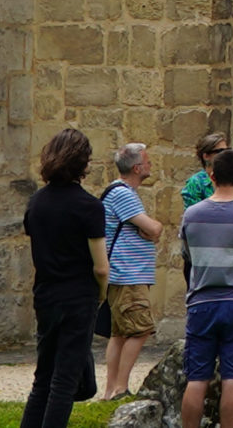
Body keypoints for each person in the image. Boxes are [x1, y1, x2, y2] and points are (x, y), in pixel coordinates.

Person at [21, 129, 109, 427]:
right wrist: (101, 293)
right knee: (65, 379)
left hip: (46, 294)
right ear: (83, 163)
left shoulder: (36, 202)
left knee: (43, 377)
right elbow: (101, 266)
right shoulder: (89, 206)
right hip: (78, 296)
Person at [179, 150, 233, 428]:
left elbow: (188, 256)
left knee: (196, 377)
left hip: (202, 301)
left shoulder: (191, 215)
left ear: (212, 176)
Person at [102, 143, 164, 400]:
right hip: (129, 274)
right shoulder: (123, 194)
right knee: (140, 329)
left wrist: (149, 231)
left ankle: (110, 390)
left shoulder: (121, 193)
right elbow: (154, 229)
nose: (150, 165)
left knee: (119, 333)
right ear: (137, 167)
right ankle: (120, 388)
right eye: (148, 162)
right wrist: (154, 228)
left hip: (123, 274)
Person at [180, 133, 229, 289]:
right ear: (206, 156)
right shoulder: (197, 182)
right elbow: (193, 217)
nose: (225, 155)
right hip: (201, 252)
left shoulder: (228, 179)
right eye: (220, 152)